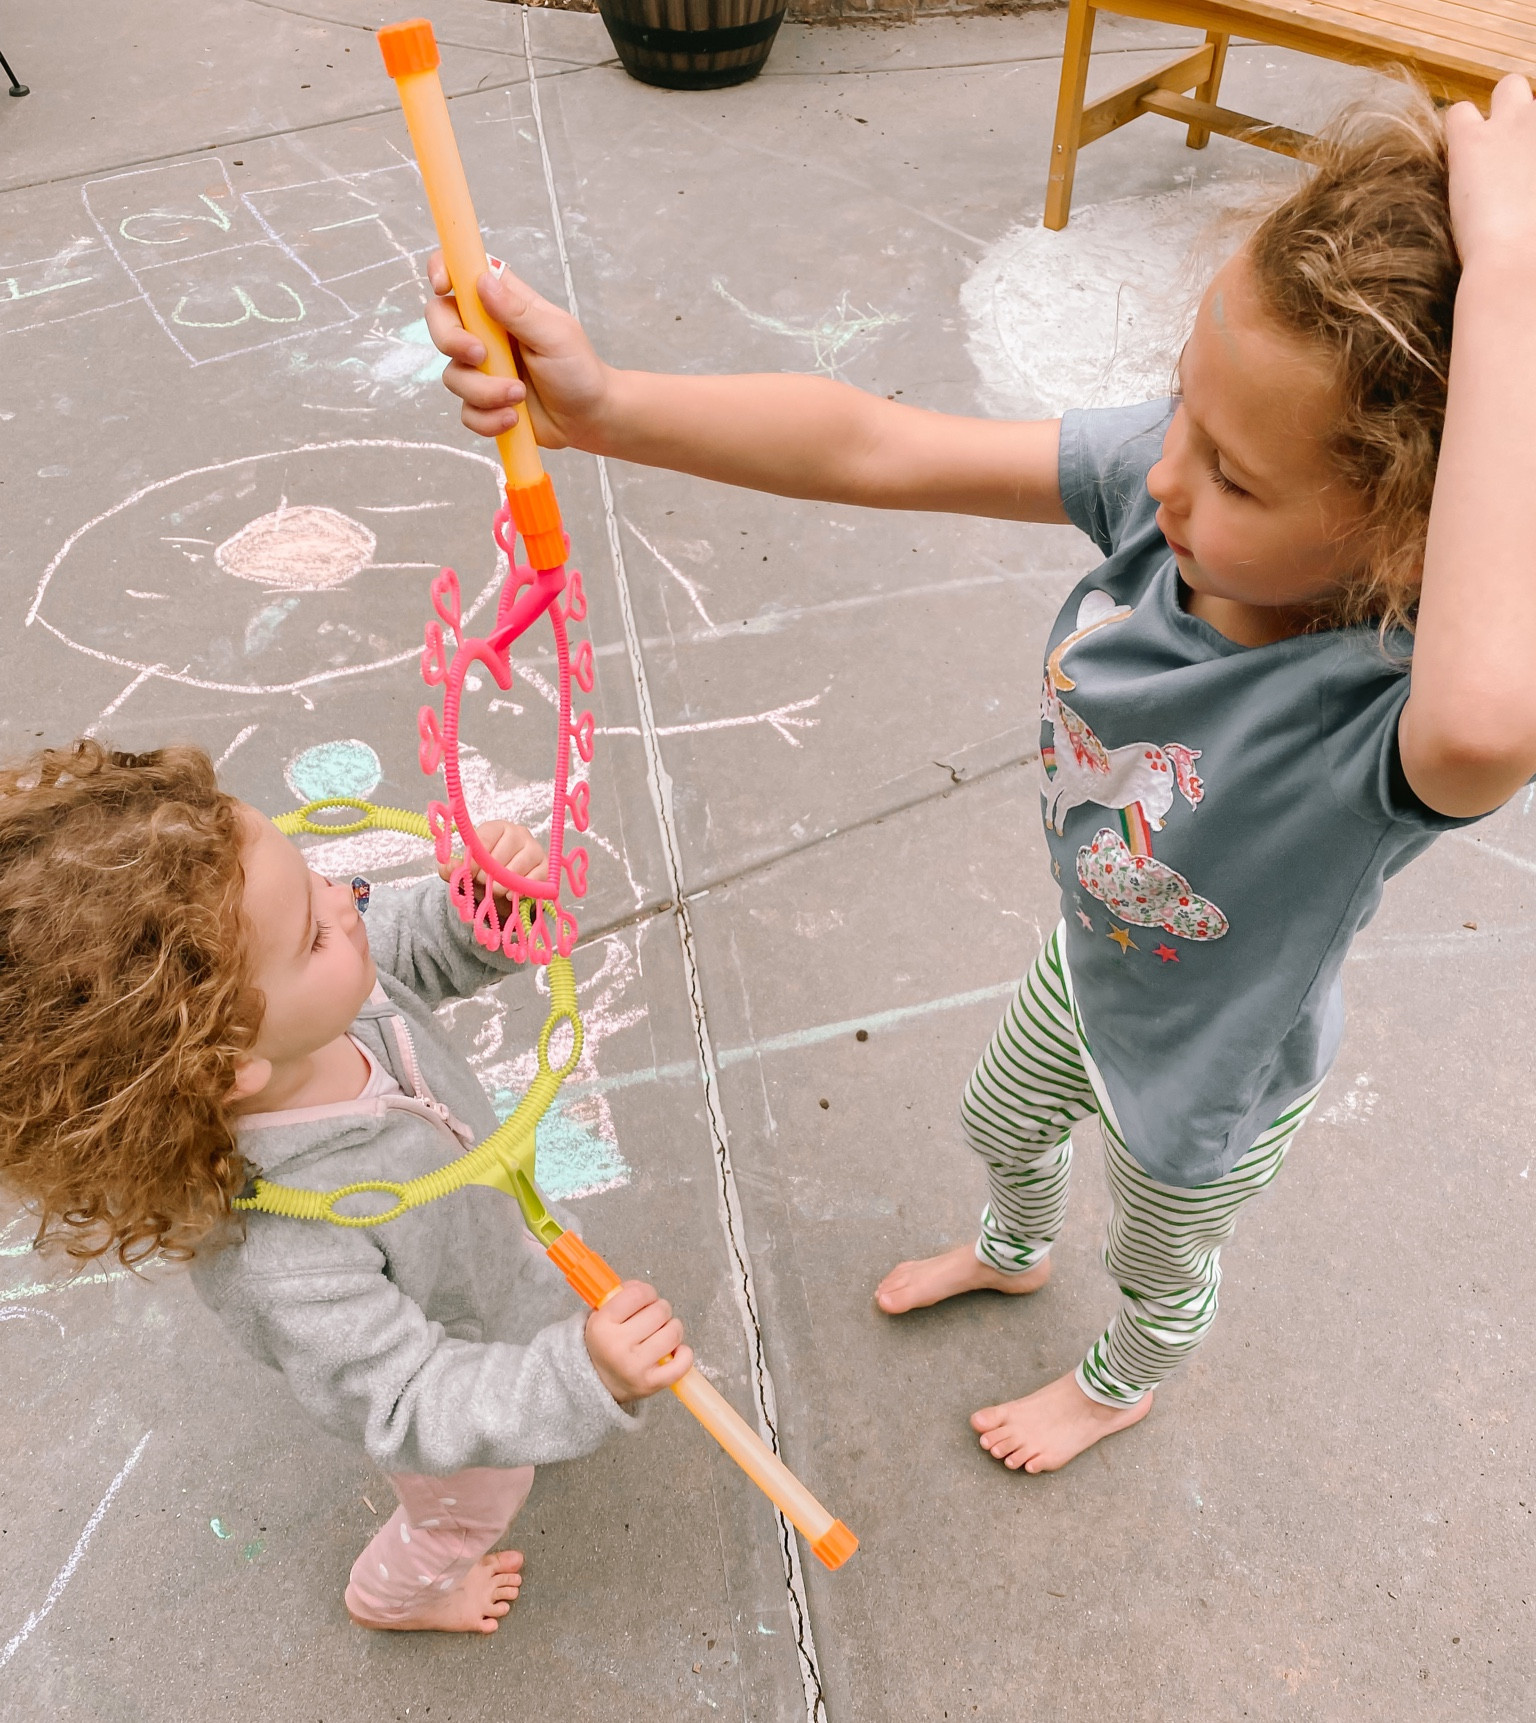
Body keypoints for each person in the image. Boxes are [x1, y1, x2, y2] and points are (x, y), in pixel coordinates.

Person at [425, 77, 1536, 1474]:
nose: (1169, 472)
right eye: (1182, 402)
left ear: (1412, 537)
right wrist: (602, 408)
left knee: (1158, 1256)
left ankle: (1122, 1375)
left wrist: (1512, 287)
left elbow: (1493, 719)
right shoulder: (1169, 483)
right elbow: (875, 444)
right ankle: (1014, 1250)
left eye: (1239, 478)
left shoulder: (1381, 709)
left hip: (1209, 1070)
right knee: (998, 1116)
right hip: (1095, 954)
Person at [0, 741, 693, 1630]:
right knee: (473, 1500)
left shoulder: (317, 1005)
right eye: (314, 929)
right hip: (443, 1364)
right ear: (229, 1066)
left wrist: (481, 910)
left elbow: (409, 942)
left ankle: (526, 1393)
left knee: (522, 1365)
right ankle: (399, 1596)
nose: (347, 900)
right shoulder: (285, 1249)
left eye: (320, 878)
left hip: (484, 1261)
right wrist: (578, 1379)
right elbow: (410, 1402)